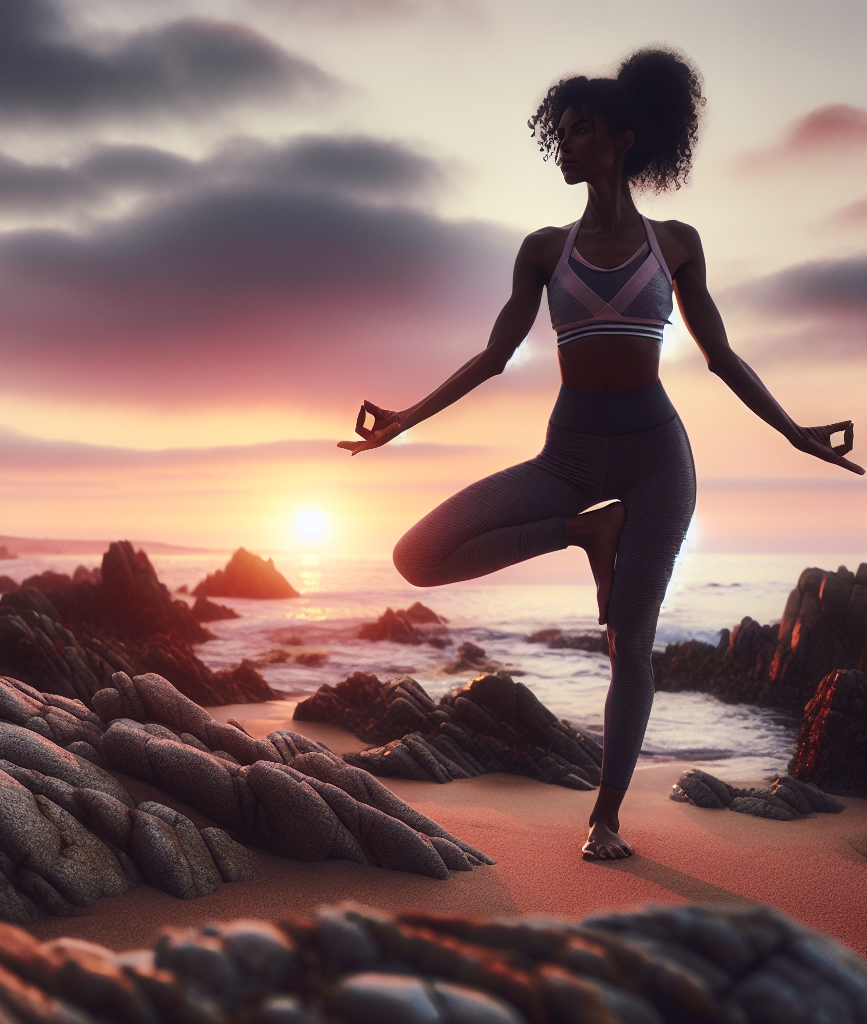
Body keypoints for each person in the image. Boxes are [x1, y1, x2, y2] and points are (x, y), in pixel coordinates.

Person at [338, 47, 863, 861]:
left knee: (630, 639)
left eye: (580, 133)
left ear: (622, 140)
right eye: (562, 133)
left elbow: (722, 358)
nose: (565, 145)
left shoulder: (676, 243)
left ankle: (605, 820)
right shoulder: (543, 250)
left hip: (658, 463)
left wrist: (796, 433)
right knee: (418, 557)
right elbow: (492, 357)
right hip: (569, 459)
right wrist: (401, 420)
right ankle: (587, 533)